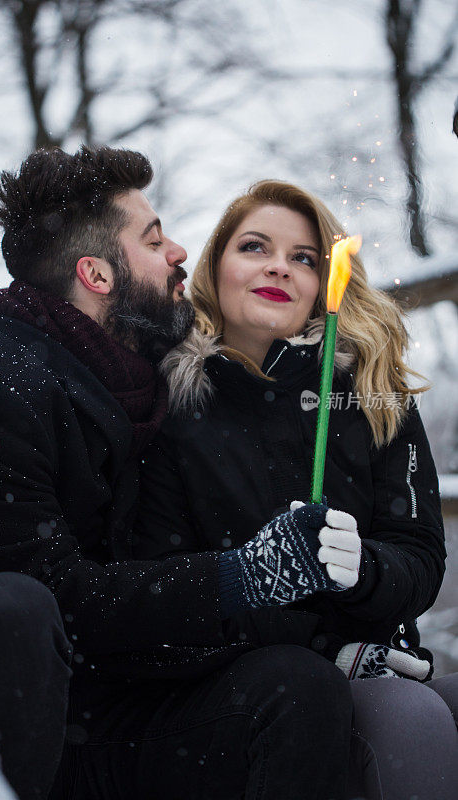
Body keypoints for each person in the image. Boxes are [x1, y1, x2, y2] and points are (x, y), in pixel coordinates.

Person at [0, 151, 354, 800]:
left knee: (294, 684)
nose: (180, 250)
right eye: (153, 240)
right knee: (12, 603)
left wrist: (340, 634)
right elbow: (57, 607)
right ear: (96, 274)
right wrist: (241, 575)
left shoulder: (163, 385)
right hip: (23, 732)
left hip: (129, 717)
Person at [135, 179, 458, 800]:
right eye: (255, 247)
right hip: (244, 687)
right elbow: (160, 578)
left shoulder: (371, 391)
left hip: (377, 660)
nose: (280, 266)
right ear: (216, 269)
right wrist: (318, 641)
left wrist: (365, 571)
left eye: (304, 258)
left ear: (321, 286)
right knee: (410, 724)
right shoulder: (171, 406)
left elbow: (419, 556)